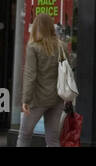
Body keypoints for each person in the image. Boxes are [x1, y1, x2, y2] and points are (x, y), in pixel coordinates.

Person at [17, 13, 65, 147]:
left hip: (38, 99)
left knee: (24, 136)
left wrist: (26, 100)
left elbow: (30, 75)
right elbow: (66, 72)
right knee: (53, 139)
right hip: (57, 98)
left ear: (36, 27)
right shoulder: (61, 46)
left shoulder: (33, 47)